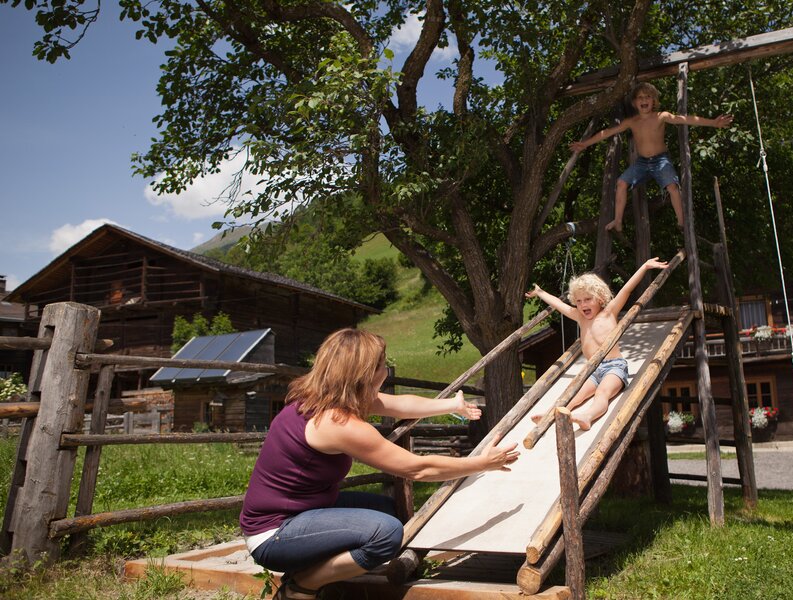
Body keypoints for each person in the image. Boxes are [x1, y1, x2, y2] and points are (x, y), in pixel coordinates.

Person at [240, 328, 520, 600]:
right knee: (386, 534)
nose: (386, 371)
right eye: (383, 365)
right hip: (274, 534)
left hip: (303, 510)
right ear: (365, 375)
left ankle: (314, 566)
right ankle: (302, 585)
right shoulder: (338, 423)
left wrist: (451, 406)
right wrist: (483, 463)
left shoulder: (321, 397)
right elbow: (418, 468)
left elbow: (400, 405)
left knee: (394, 509)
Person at [525, 257, 669, 431]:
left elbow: (627, 289)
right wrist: (540, 293)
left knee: (602, 393)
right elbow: (558, 304)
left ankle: (588, 416)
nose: (582, 304)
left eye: (587, 299)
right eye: (578, 301)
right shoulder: (579, 316)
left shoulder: (609, 313)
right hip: (591, 369)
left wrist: (645, 267)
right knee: (574, 395)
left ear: (600, 298)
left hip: (614, 367)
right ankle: (551, 414)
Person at [570, 82, 733, 232]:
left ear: (654, 101)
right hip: (642, 162)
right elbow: (608, 132)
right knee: (620, 183)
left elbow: (685, 119)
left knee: (673, 187)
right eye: (640, 97)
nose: (644, 100)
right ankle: (617, 221)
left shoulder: (661, 116)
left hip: (660, 160)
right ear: (635, 103)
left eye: (648, 96)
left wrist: (713, 122)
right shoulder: (631, 121)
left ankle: (682, 222)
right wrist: (585, 144)